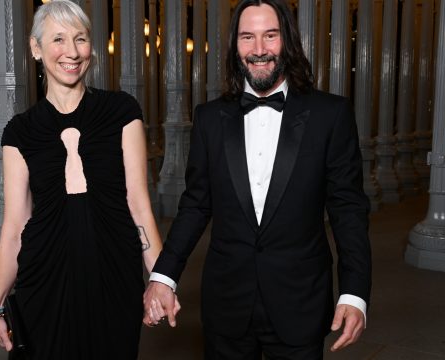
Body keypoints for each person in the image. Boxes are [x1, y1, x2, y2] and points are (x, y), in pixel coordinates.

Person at [143, 0, 372, 358]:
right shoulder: (209, 119)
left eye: (271, 36)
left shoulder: (331, 115)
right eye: (247, 37)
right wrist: (163, 277)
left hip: (301, 301)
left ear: (289, 42)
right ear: (235, 46)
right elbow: (195, 204)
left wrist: (354, 292)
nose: (259, 49)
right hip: (227, 305)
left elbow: (348, 210)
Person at [0, 1, 170, 358]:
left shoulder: (122, 112)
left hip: (113, 276)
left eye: (81, 39)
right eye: (58, 39)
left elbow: (140, 207)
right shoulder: (19, 132)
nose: (71, 52)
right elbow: (14, 227)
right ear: (36, 48)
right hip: (44, 279)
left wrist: (161, 280)